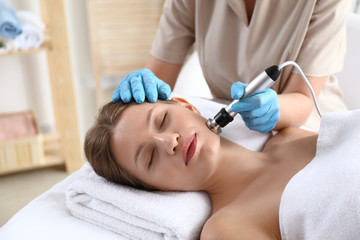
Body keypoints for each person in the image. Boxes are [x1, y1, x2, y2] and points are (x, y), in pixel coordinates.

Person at [84, 97, 360, 239]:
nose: (169, 142)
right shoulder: (226, 228)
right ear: (155, 189)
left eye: (163, 120)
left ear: (187, 106)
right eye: (150, 158)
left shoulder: (288, 135)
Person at [112, 0, 351, 133]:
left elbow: (302, 98)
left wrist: (272, 108)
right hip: (234, 131)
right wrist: (142, 87)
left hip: (310, 126)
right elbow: (157, 82)